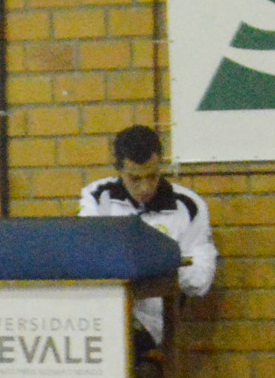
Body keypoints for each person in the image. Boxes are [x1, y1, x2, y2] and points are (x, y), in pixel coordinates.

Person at [80, 123, 217, 358]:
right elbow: (88, 256)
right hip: (101, 314)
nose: (145, 187)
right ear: (119, 171)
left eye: (152, 176)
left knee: (110, 347)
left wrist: (159, 261)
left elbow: (202, 279)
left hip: (151, 323)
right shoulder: (97, 197)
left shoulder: (189, 206)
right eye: (134, 179)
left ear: (160, 165)